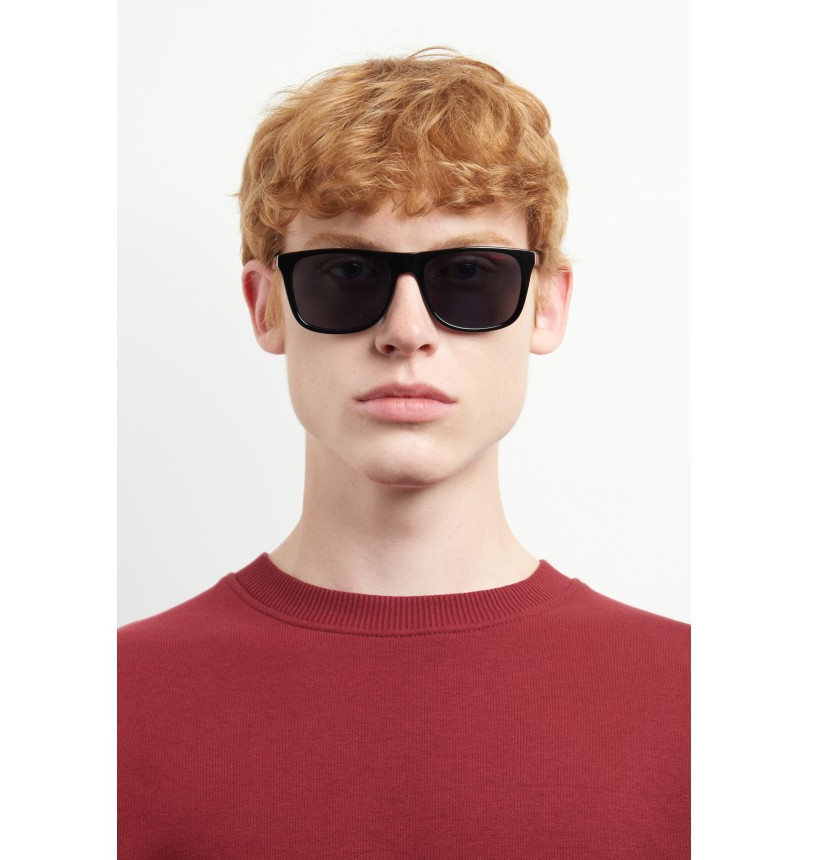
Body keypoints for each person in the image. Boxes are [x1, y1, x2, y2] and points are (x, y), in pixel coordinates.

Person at [119, 48, 689, 858]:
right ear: (266, 306)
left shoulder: (704, 708)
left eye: (469, 274)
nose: (406, 330)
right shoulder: (106, 708)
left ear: (546, 307)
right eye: (348, 272)